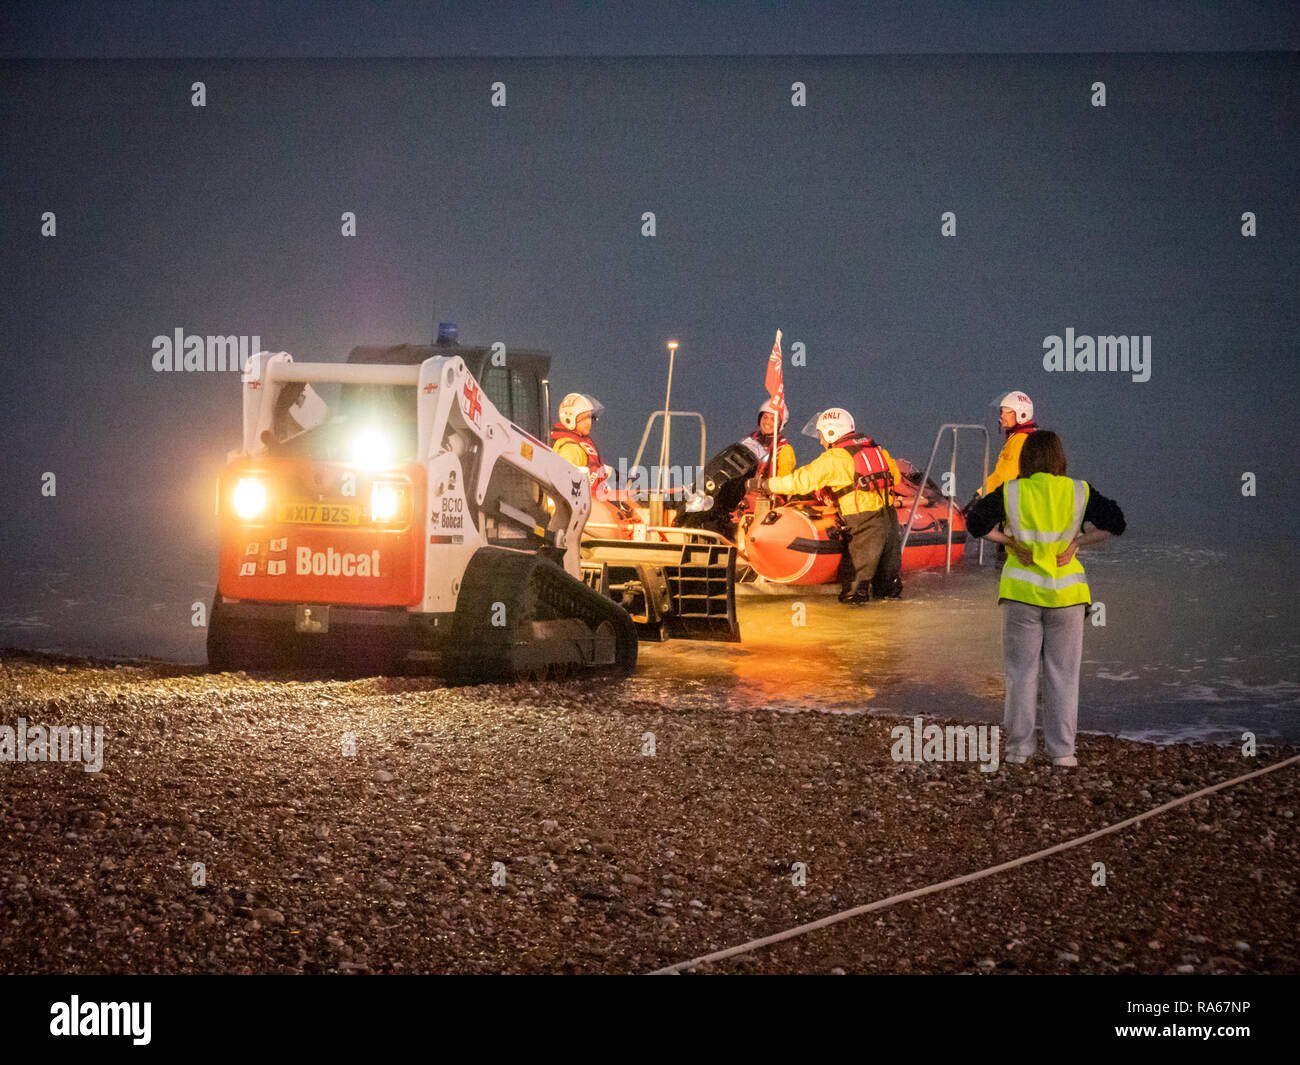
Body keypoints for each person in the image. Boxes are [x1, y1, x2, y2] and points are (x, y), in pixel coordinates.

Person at [964, 430, 1126, 767]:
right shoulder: (1078, 491)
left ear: (1025, 460)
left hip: (1021, 594)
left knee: (1020, 674)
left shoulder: (1011, 491)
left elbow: (976, 522)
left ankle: (1018, 750)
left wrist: (1009, 542)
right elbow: (1116, 522)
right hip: (1067, 596)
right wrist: (1077, 544)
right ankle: (1062, 753)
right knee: (1063, 675)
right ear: (1059, 459)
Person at [756, 408, 902, 603]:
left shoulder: (834, 459)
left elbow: (801, 481)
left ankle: (854, 628)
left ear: (832, 432)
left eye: (822, 435)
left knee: (853, 591)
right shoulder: (876, 449)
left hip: (863, 524)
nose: (821, 441)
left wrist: (766, 484)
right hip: (889, 521)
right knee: (887, 589)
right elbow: (896, 477)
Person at [970, 391, 1038, 504]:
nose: (1002, 416)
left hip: (1015, 501)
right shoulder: (1029, 436)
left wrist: (980, 495)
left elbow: (1004, 476)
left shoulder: (1019, 440)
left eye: (1007, 412)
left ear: (1022, 414)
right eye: (1002, 411)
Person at [551, 392, 610, 498]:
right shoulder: (570, 450)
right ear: (570, 419)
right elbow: (568, 491)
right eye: (584, 418)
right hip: (586, 506)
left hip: (595, 501)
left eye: (590, 417)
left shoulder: (580, 442)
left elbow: (595, 467)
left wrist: (619, 475)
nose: (589, 422)